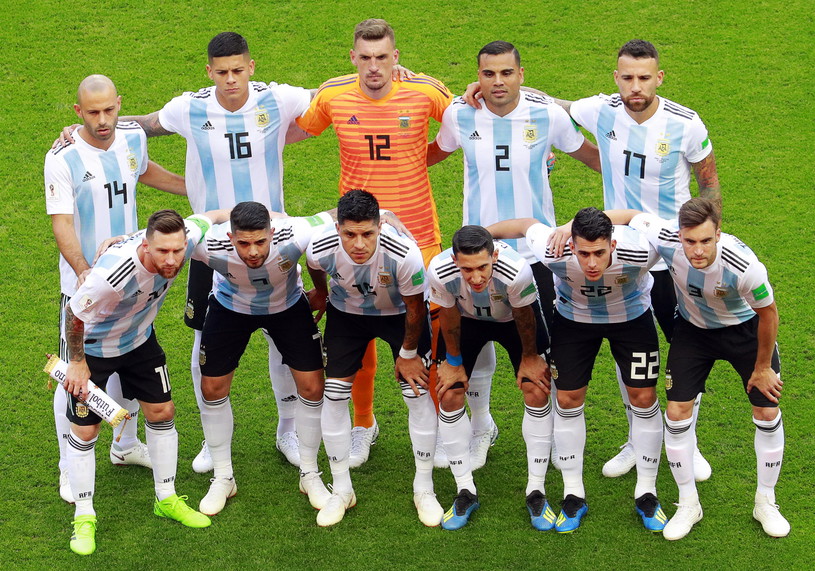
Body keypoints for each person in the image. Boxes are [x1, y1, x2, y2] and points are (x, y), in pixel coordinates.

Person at [545, 39, 720, 479]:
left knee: (685, 346)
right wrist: (480, 91)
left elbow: (709, 184)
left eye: (644, 78)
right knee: (631, 353)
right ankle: (635, 440)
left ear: (659, 78)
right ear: (616, 78)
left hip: (673, 258)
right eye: (627, 78)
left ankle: (687, 441)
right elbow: (552, 104)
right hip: (620, 258)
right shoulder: (601, 110)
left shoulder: (685, 124)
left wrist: (707, 245)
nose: (636, 86)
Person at [427, 40, 601, 471]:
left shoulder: (547, 115)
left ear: (521, 74)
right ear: (478, 77)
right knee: (468, 348)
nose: (498, 81)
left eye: (507, 72)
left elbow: (594, 158)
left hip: (536, 257)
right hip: (474, 257)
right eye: (488, 74)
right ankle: (481, 427)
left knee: (542, 355)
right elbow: (430, 154)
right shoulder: (459, 114)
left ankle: (553, 434)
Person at [293, 18, 454, 467]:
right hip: (355, 240)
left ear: (395, 56)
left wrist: (418, 157)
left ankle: (439, 426)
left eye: (382, 57)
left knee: (428, 337)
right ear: (353, 58)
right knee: (356, 337)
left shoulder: (424, 91)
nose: (374, 67)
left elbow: (467, 122)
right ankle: (363, 424)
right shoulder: (333, 95)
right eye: (365, 58)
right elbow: (299, 127)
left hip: (418, 237)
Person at [606, 198, 787, 540]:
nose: (698, 250)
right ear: (679, 236)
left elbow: (769, 314)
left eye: (705, 240)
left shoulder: (744, 266)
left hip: (744, 332)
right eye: (690, 241)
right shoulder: (666, 238)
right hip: (694, 332)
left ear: (718, 233)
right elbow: (631, 216)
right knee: (676, 414)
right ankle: (689, 504)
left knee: (767, 412)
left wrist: (763, 366)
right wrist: (571, 227)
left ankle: (766, 501)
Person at [45, 75, 187, 504]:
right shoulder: (62, 157)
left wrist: (191, 187)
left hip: (133, 276)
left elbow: (142, 171)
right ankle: (68, 464)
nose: (103, 120)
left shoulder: (131, 137)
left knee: (129, 357)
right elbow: (61, 224)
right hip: (86, 286)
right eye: (93, 112)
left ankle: (124, 446)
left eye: (109, 109)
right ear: (78, 112)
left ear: (119, 104)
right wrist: (84, 272)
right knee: (75, 377)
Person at [488, 208, 668, 533]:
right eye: (583, 254)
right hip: (575, 322)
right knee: (568, 399)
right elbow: (525, 225)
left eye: (599, 253)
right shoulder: (552, 249)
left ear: (613, 245)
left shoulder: (641, 250)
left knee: (643, 398)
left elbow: (636, 215)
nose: (592, 263)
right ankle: (574, 494)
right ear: (572, 247)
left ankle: (647, 493)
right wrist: (479, 238)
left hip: (632, 321)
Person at [60, 208, 228, 555]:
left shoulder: (184, 238)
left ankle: (166, 498)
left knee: (163, 411)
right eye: (163, 251)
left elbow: (213, 215)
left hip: (138, 340)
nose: (172, 259)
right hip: (93, 350)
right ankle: (84, 516)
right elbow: (74, 312)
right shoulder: (113, 275)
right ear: (147, 247)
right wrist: (76, 363)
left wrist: (270, 218)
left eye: (177, 250)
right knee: (86, 432)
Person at [187, 201, 338, 518]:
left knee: (313, 387)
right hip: (230, 308)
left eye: (260, 241)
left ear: (273, 233)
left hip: (287, 307)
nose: (253, 251)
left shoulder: (294, 232)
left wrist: (386, 216)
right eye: (243, 243)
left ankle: (310, 474)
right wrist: (120, 242)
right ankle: (223, 477)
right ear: (230, 237)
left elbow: (337, 215)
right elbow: (161, 236)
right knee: (212, 389)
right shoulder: (208, 244)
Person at [306, 190, 442, 527]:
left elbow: (415, 308)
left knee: (416, 393)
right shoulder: (320, 246)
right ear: (338, 228)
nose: (358, 244)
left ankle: (424, 488)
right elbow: (314, 267)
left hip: (399, 316)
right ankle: (341, 490)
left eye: (367, 234)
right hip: (347, 316)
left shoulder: (404, 254)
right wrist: (321, 293)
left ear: (380, 227)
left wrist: (408, 354)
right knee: (334, 395)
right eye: (349, 234)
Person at [427, 226, 551, 531]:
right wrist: (454, 361)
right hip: (467, 319)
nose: (476, 277)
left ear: (494, 255)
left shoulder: (516, 270)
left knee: (536, 389)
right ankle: (465, 490)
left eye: (482, 267)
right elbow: (448, 313)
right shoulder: (440, 270)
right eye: (467, 269)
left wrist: (530, 358)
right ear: (455, 260)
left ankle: (536, 490)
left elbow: (524, 316)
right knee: (449, 393)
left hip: (512, 319)